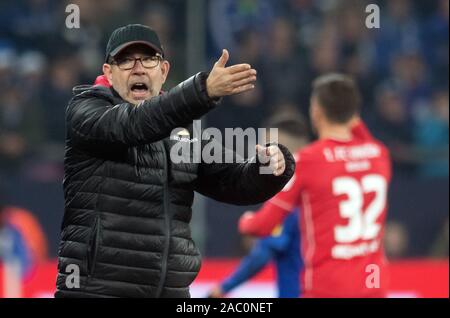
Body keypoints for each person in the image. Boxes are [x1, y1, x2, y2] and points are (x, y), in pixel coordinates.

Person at [55, 24, 295, 298]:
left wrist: (272, 165)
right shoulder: (87, 109)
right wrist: (202, 90)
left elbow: (233, 182)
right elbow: (133, 125)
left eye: (148, 59)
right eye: (125, 60)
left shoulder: (181, 131)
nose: (138, 68)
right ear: (108, 73)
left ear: (164, 70)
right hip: (97, 292)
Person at [240, 74, 392, 298]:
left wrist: (245, 221)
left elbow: (261, 227)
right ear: (354, 113)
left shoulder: (308, 161)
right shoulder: (379, 155)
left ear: (316, 112)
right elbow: (360, 133)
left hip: (328, 287)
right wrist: (348, 109)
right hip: (374, 285)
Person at [208, 117, 310, 298]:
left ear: (284, 150)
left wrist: (224, 288)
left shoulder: (287, 199)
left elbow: (263, 254)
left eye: (268, 148)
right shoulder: (319, 191)